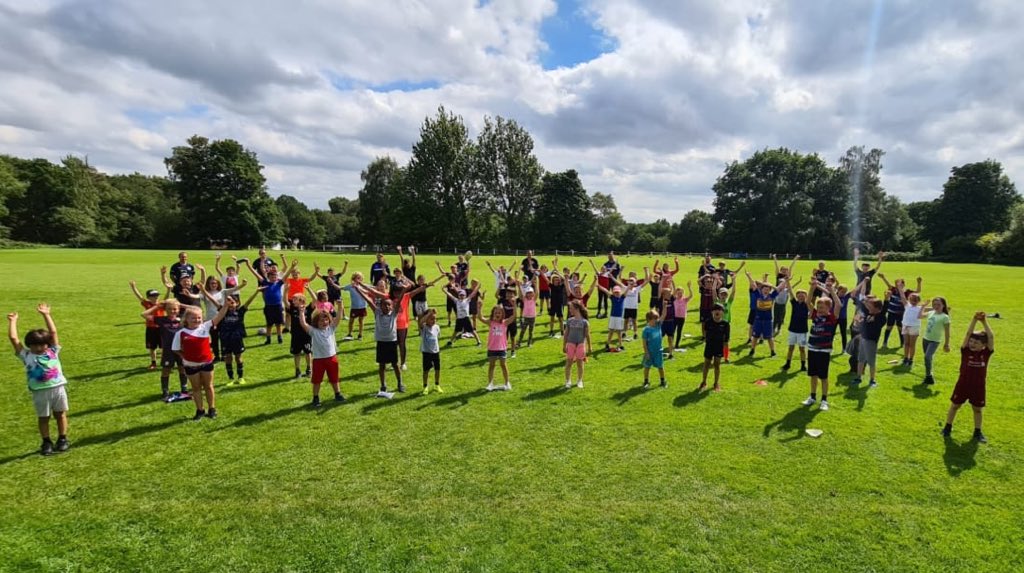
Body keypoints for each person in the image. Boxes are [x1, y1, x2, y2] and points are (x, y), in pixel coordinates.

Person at [8, 304, 71, 455]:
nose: (39, 348)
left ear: (47, 344)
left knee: (60, 414)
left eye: (42, 344)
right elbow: (13, 338)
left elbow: (53, 332)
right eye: (35, 345)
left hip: (58, 388)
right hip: (39, 392)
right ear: (29, 346)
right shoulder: (26, 355)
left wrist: (46, 314)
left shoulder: (53, 351)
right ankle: (46, 441)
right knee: (44, 417)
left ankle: (62, 438)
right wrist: (13, 321)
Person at [941, 312, 994, 443]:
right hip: (963, 384)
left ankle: (977, 432)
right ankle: (947, 427)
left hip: (978, 386)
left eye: (976, 342)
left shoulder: (986, 354)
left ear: (983, 345)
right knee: (955, 406)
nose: (972, 343)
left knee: (977, 410)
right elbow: (967, 334)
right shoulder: (966, 352)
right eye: (971, 341)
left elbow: (991, 337)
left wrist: (984, 322)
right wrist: (974, 320)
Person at [172, 300, 229, 420]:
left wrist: (226, 305)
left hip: (207, 363)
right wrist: (186, 357)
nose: (197, 320)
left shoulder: (205, 326)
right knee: (196, 388)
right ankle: (200, 410)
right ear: (186, 319)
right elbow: (176, 349)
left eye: (199, 318)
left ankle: (212, 409)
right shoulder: (181, 333)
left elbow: (219, 316)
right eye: (193, 318)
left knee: (208, 386)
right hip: (190, 365)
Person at [799, 281, 841, 411]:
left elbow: (838, 304)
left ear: (829, 308)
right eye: (819, 307)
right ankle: (812, 397)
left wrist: (832, 291)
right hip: (812, 349)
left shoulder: (831, 318)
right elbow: (807, 303)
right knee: (813, 375)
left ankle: (824, 400)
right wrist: (812, 287)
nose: (820, 309)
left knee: (823, 377)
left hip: (824, 351)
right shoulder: (815, 315)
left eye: (822, 307)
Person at [355, 286, 403, 398]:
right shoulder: (377, 313)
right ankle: (383, 385)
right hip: (381, 343)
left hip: (391, 342)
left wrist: (404, 290)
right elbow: (368, 300)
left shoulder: (394, 314)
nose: (386, 306)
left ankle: (400, 383)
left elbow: (399, 299)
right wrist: (358, 290)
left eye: (388, 305)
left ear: (392, 306)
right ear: (380, 306)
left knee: (395, 364)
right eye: (384, 305)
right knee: (382, 365)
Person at [296, 304, 345, 407]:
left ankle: (337, 394)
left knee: (334, 378)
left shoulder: (331, 328)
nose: (324, 322)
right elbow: (303, 323)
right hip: (318, 360)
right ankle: (315, 398)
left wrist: (340, 306)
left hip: (332, 358)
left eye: (326, 320)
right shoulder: (313, 331)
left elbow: (339, 317)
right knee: (317, 380)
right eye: (321, 321)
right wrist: (301, 312)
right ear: (316, 322)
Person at [142, 299, 189, 401]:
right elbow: (144, 314)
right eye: (169, 309)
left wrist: (180, 304)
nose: (172, 311)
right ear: (165, 310)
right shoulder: (162, 320)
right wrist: (157, 306)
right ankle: (165, 390)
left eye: (175, 309)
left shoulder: (183, 319)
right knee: (166, 369)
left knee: (182, 368)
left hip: (181, 349)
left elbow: (197, 310)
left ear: (178, 309)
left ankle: (184, 389)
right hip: (168, 350)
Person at [216, 290, 260, 386]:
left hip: (237, 338)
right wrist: (203, 290)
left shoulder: (240, 312)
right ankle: (231, 378)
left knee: (238, 357)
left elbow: (248, 301)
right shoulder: (223, 311)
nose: (231, 305)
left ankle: (240, 377)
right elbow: (213, 301)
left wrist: (256, 292)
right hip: (225, 338)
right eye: (228, 302)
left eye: (232, 302)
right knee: (228, 358)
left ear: (237, 303)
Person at [746, 268, 784, 358]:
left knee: (770, 337)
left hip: (768, 320)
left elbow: (779, 288)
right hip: (758, 320)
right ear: (761, 289)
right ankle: (752, 350)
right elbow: (754, 285)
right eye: (764, 289)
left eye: (768, 289)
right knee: (755, 337)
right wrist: (749, 276)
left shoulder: (772, 296)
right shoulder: (757, 294)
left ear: (770, 290)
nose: (766, 290)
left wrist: (785, 281)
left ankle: (772, 351)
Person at [130, 281, 167, 370]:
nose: (155, 298)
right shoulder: (147, 303)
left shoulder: (161, 303)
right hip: (151, 328)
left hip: (161, 328)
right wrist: (134, 288)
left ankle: (164, 361)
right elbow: (139, 297)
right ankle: (153, 362)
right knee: (152, 347)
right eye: (153, 296)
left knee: (163, 346)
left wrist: (169, 289)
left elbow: (166, 298)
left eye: (156, 296)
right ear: (148, 297)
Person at [854, 295, 888, 388]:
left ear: (877, 308)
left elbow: (883, 310)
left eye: (870, 305)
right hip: (863, 339)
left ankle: (872, 380)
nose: (867, 307)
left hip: (871, 342)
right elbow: (863, 326)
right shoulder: (868, 314)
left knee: (871, 362)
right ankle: (858, 377)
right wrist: (858, 322)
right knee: (860, 359)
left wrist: (886, 299)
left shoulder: (880, 318)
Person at [879, 275, 921, 349]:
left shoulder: (907, 292)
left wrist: (919, 282)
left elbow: (918, 291)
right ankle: (885, 343)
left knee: (900, 328)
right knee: (889, 327)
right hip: (891, 313)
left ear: (904, 284)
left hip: (901, 314)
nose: (898, 285)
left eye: (900, 284)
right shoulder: (893, 290)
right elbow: (888, 284)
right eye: (897, 284)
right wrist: (883, 278)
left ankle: (902, 343)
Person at [484, 304, 517, 391]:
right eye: (496, 313)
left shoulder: (504, 323)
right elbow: (480, 318)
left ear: (502, 314)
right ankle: (490, 383)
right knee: (491, 366)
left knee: (503, 365)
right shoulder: (491, 322)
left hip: (502, 348)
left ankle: (507, 382)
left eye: (499, 313)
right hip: (492, 348)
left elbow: (514, 316)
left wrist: (514, 306)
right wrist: (479, 308)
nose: (497, 314)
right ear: (493, 314)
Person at [920, 297, 951, 385]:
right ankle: (928, 376)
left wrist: (946, 344)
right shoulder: (930, 313)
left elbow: (947, 332)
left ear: (943, 305)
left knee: (927, 357)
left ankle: (929, 376)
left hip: (934, 341)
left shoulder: (945, 317)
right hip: (925, 339)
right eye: (934, 304)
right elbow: (919, 316)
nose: (936, 306)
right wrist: (923, 306)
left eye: (938, 305)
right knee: (928, 358)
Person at [700, 303, 729, 392]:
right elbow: (704, 331)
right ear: (712, 312)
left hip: (719, 347)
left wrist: (726, 356)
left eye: (719, 310)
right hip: (709, 346)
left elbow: (726, 340)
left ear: (722, 313)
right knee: (706, 364)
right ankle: (704, 382)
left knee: (717, 365)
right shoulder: (708, 322)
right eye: (715, 310)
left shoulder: (725, 324)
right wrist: (706, 338)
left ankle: (716, 383)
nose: (717, 311)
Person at [562, 300, 591, 389]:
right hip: (570, 344)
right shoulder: (569, 321)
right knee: (569, 363)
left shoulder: (585, 322)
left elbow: (587, 335)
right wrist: (564, 345)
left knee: (580, 364)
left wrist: (590, 346)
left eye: (571, 308)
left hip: (580, 344)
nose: (570, 310)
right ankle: (568, 381)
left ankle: (579, 380)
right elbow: (566, 334)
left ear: (577, 309)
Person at [781, 285, 810, 372]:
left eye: (803, 296)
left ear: (806, 297)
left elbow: (810, 297)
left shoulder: (806, 305)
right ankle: (788, 364)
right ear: (797, 296)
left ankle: (803, 365)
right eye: (799, 296)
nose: (801, 297)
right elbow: (790, 291)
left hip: (802, 331)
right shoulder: (794, 303)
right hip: (792, 330)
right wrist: (787, 282)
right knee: (791, 348)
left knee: (802, 349)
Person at [897, 285, 926, 367]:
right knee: (906, 343)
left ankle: (911, 359)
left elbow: (931, 309)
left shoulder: (920, 308)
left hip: (914, 327)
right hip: (905, 326)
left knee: (912, 344)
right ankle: (905, 358)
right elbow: (902, 296)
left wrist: (944, 309)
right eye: (912, 300)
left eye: (915, 300)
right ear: (909, 300)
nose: (913, 302)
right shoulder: (907, 306)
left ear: (918, 301)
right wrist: (900, 288)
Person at [418, 309, 443, 394]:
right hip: (426, 353)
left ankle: (437, 385)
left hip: (436, 352)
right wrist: (428, 314)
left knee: (437, 369)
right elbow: (420, 322)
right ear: (426, 319)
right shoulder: (424, 328)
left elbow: (437, 338)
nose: (434, 321)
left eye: (435, 319)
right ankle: (425, 386)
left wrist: (431, 315)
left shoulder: (437, 327)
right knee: (426, 370)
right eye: (431, 319)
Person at [288, 294, 313, 378]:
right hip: (295, 335)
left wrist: (309, 289)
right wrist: (286, 291)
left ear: (301, 300)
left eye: (295, 299)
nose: (293, 301)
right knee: (296, 353)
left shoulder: (308, 309)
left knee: (308, 352)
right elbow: (284, 301)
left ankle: (309, 369)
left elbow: (315, 300)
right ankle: (297, 370)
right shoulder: (293, 309)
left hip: (306, 335)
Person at [641, 308, 667, 389]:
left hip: (658, 351)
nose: (656, 320)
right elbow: (644, 343)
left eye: (657, 318)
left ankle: (663, 381)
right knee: (647, 367)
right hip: (650, 352)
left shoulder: (658, 325)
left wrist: (664, 306)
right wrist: (647, 353)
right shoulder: (646, 330)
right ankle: (646, 381)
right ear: (649, 320)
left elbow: (664, 315)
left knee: (660, 366)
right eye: (654, 319)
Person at [340, 272, 368, 340]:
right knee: (351, 321)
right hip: (354, 307)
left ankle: (360, 335)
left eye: (359, 278)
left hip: (363, 307)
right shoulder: (350, 286)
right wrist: (332, 284)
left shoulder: (364, 286)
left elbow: (369, 291)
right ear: (354, 279)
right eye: (357, 278)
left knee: (361, 321)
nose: (358, 279)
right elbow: (341, 288)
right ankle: (350, 334)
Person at [623, 271, 649, 340]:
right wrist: (611, 277)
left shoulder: (637, 289)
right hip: (626, 307)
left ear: (635, 283)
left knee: (634, 321)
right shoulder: (625, 288)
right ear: (628, 282)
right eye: (629, 281)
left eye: (632, 281)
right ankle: (624, 332)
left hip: (634, 308)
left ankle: (635, 333)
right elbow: (617, 282)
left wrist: (649, 278)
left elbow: (645, 283)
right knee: (626, 321)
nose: (631, 282)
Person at [516, 276, 539, 348]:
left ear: (533, 293)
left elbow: (537, 293)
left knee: (531, 331)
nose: (529, 294)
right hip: (526, 317)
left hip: (532, 317)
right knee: (523, 330)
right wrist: (519, 286)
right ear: (526, 294)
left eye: (530, 293)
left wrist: (536, 285)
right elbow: (520, 295)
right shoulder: (524, 299)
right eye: (528, 293)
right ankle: (519, 342)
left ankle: (529, 342)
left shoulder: (534, 299)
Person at [671, 282, 695, 349]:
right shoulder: (674, 299)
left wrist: (689, 288)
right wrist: (674, 287)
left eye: (681, 293)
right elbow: (672, 294)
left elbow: (691, 295)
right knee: (673, 331)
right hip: (675, 317)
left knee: (679, 331)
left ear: (683, 293)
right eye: (678, 293)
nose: (679, 294)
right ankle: (671, 344)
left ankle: (676, 344)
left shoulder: (684, 299)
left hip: (681, 317)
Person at [547, 272, 568, 338]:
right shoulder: (551, 286)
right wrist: (540, 272)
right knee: (552, 318)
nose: (556, 281)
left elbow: (564, 279)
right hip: (553, 305)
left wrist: (558, 274)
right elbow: (546, 279)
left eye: (557, 280)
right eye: (555, 280)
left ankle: (562, 332)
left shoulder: (561, 286)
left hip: (559, 305)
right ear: (553, 281)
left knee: (560, 319)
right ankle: (551, 331)